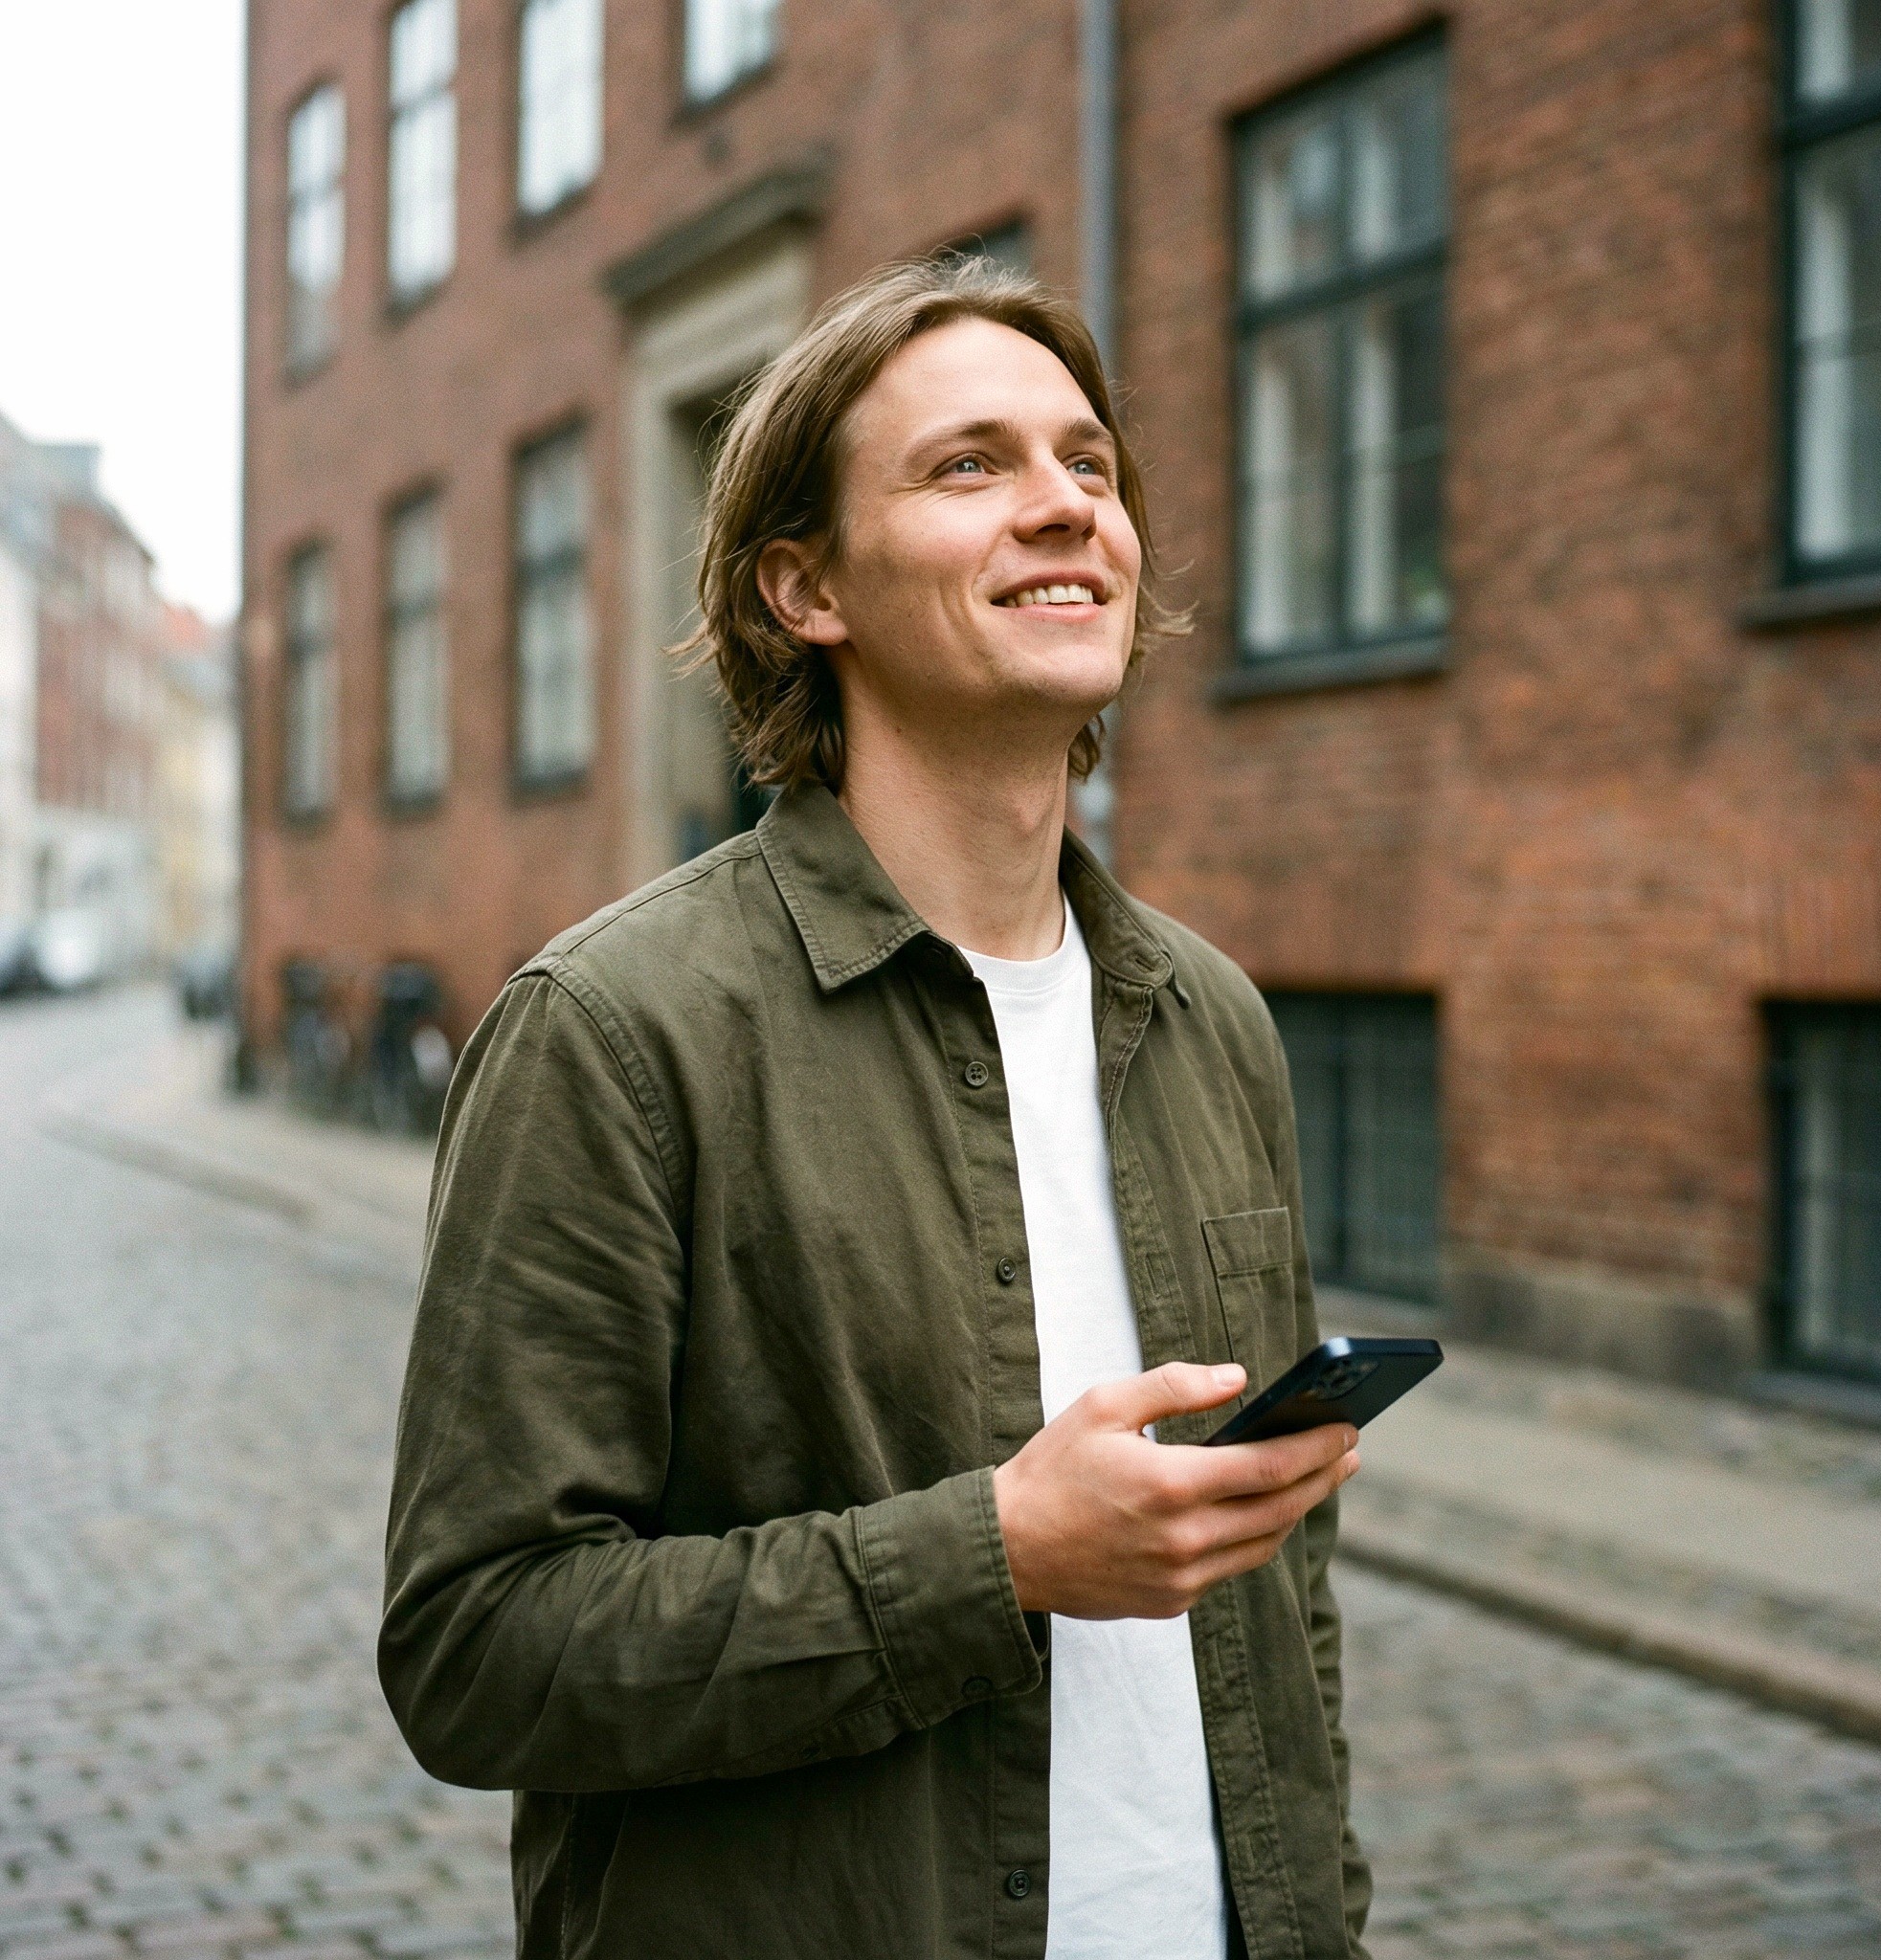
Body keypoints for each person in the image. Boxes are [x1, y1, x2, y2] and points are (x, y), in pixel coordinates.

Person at [380, 256, 1373, 1959]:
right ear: (803, 588)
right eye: (970, 466)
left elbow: (1291, 1611)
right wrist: (993, 1556)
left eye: (1091, 464)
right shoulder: (615, 1032)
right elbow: (480, 1652)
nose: (1066, 506)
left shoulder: (1213, 1019)